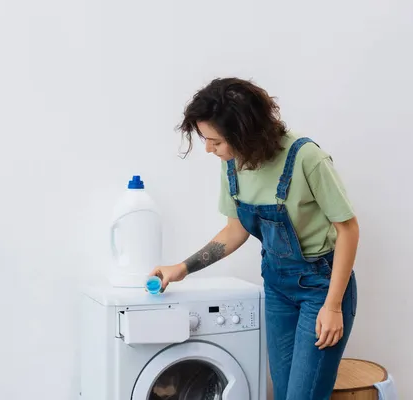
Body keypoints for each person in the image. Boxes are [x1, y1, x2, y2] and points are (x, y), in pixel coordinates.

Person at [149, 77, 359, 400]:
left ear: (243, 133)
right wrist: (182, 268)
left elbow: (348, 229)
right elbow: (236, 229)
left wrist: (333, 306)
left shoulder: (306, 158)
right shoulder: (233, 163)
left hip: (322, 288)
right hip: (277, 287)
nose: (209, 149)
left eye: (215, 141)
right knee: (285, 393)